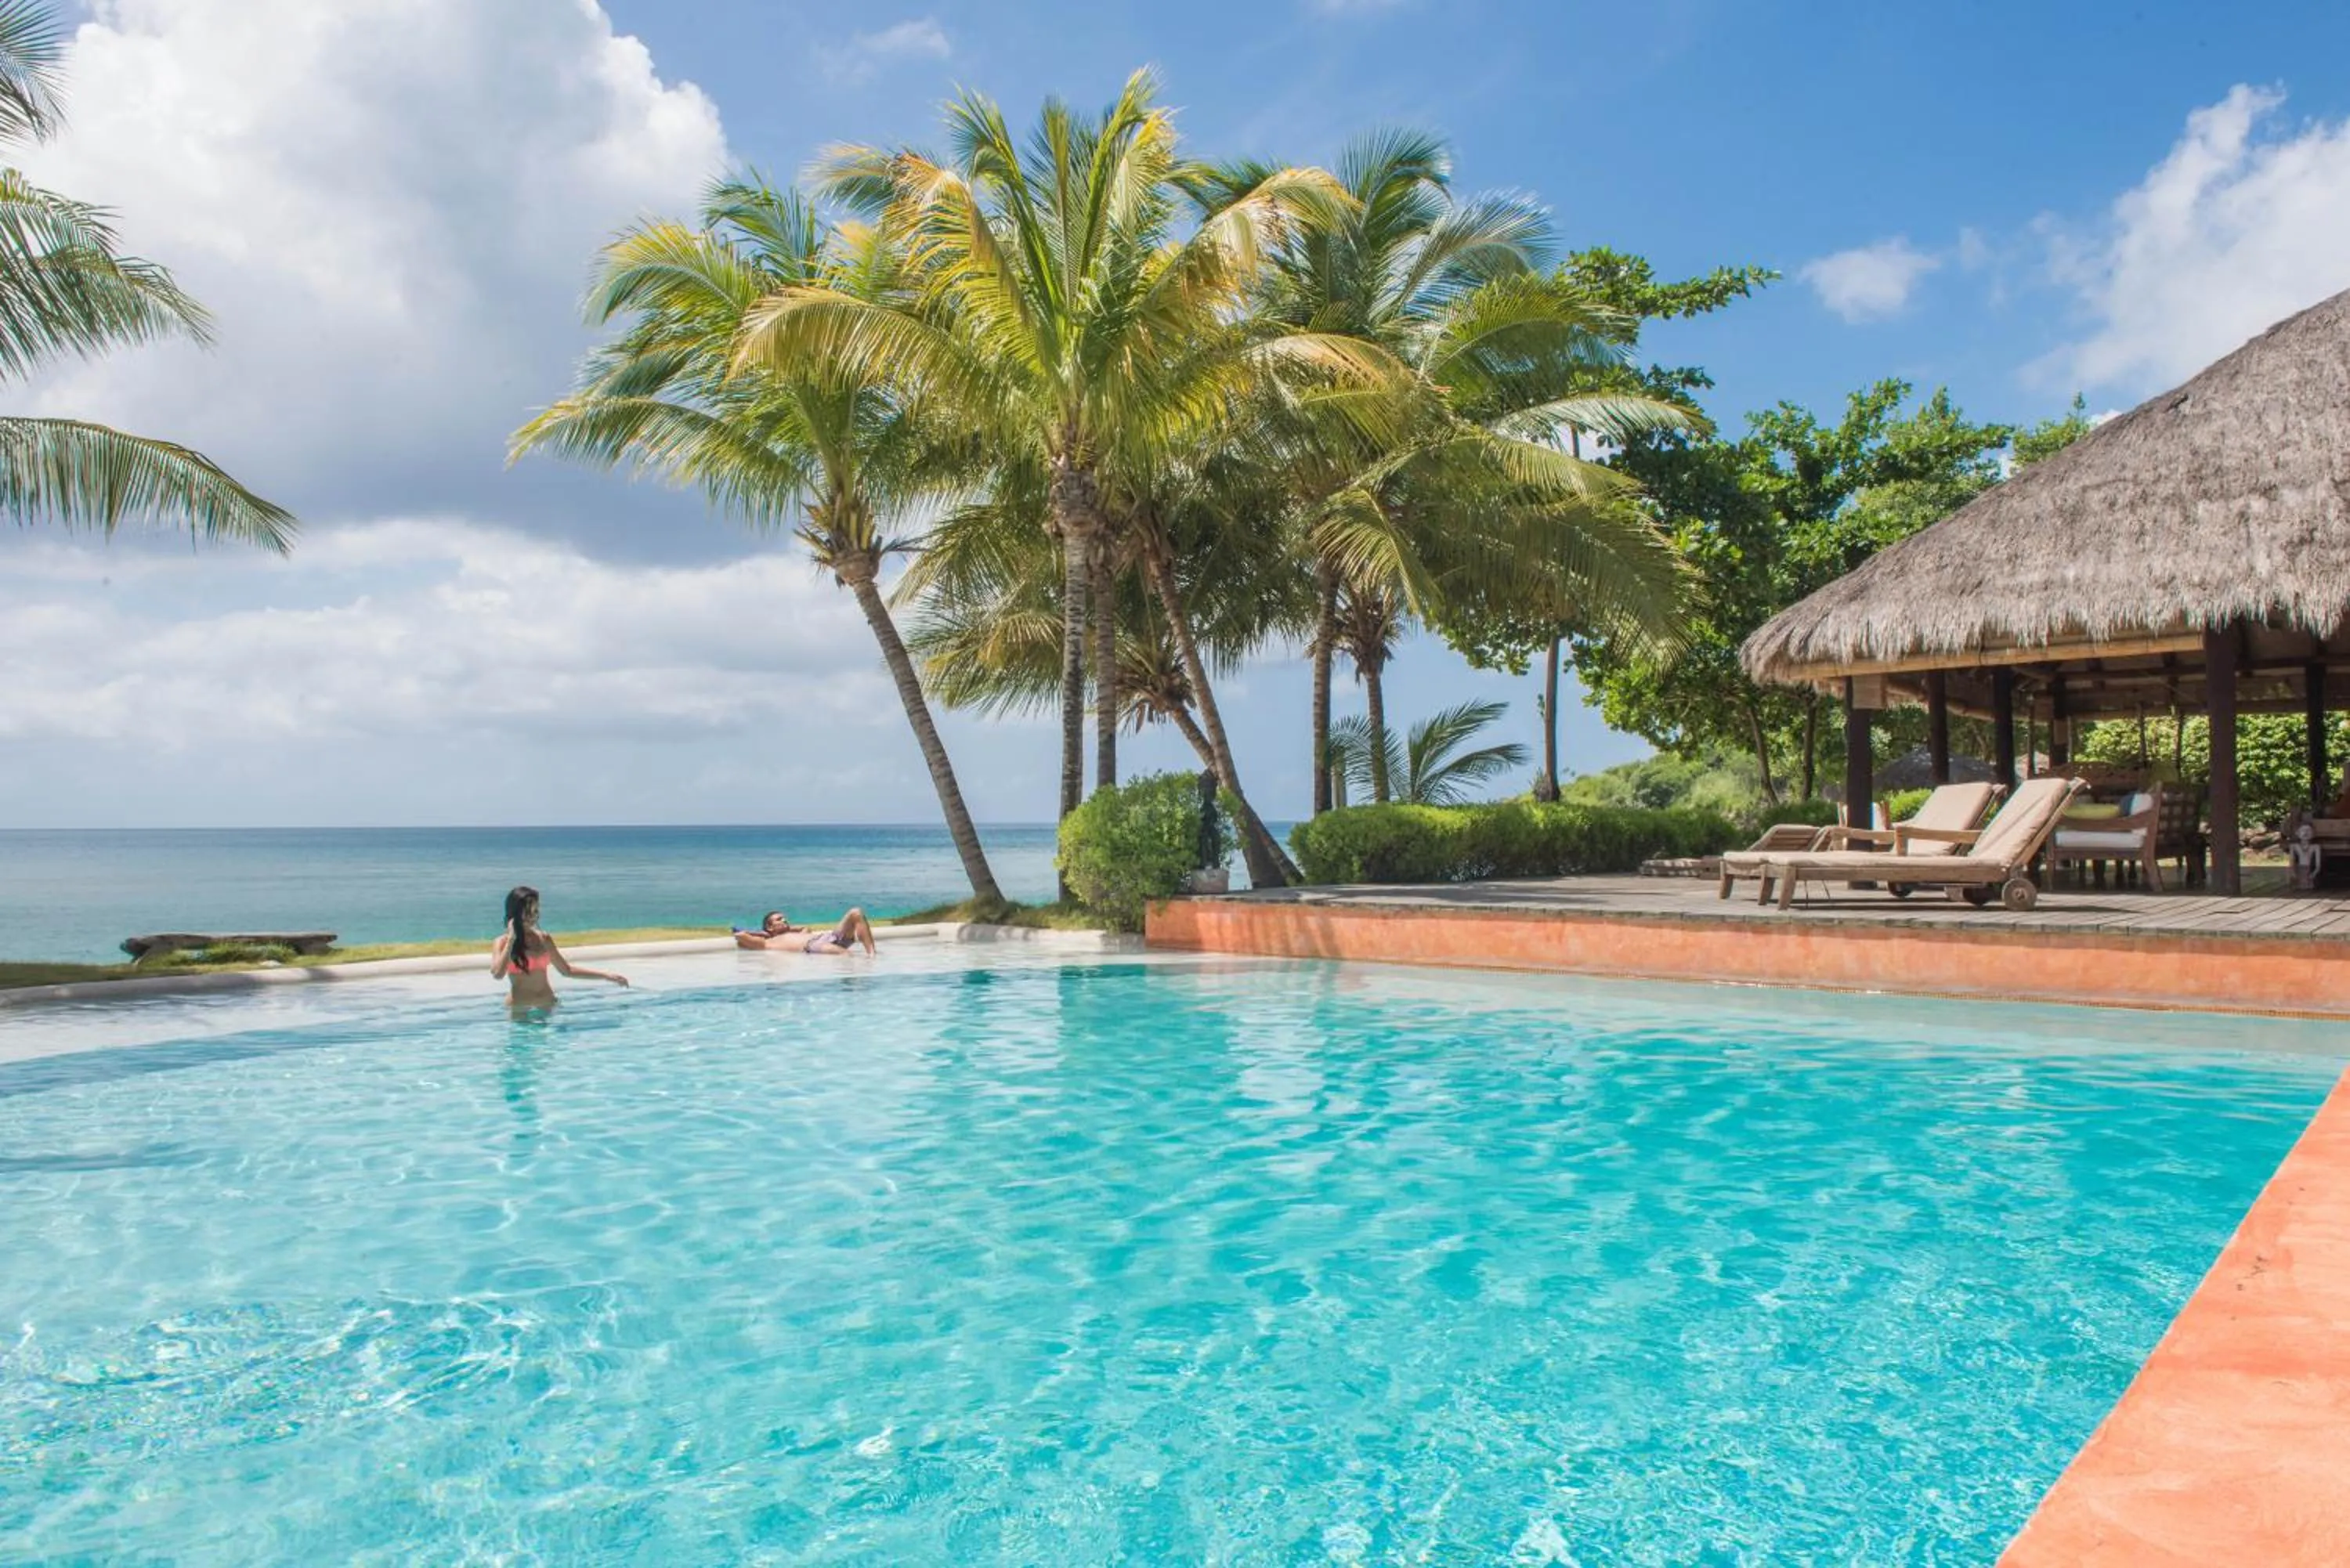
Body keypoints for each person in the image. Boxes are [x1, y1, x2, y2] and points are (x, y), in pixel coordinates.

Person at [491, 885, 629, 1008]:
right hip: (520, 1009)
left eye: (535, 911)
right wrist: (511, 940)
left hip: (547, 1005)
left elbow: (566, 970)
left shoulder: (543, 939)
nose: (533, 917)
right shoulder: (502, 942)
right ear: (515, 912)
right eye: (528, 911)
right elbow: (498, 974)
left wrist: (606, 976)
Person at [734, 908, 878, 956]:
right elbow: (739, 936)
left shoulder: (800, 932)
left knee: (856, 913)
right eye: (779, 919)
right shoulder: (767, 943)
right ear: (769, 927)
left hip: (828, 937)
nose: (784, 921)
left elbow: (805, 927)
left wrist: (785, 930)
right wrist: (765, 934)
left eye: (784, 918)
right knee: (846, 955)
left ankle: (872, 955)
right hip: (813, 945)